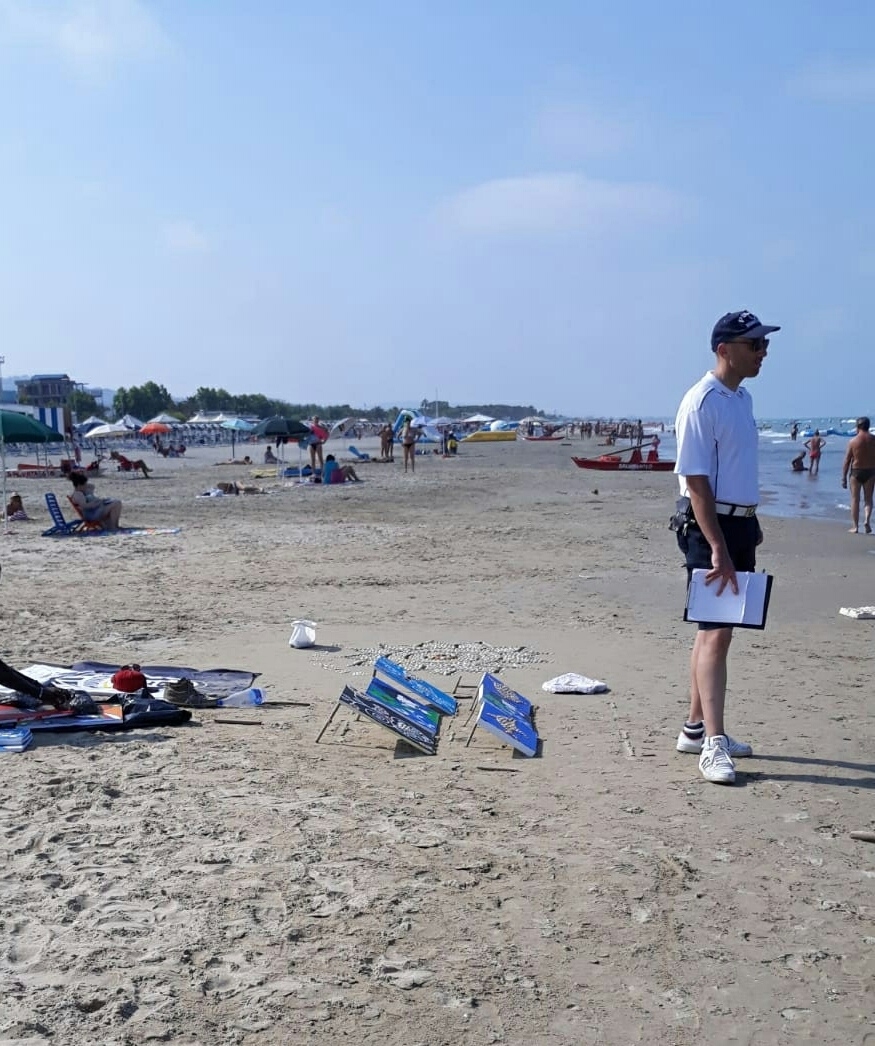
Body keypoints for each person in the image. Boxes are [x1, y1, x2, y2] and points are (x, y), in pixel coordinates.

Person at [673, 309, 780, 784]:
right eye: (754, 344)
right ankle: (713, 745)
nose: (762, 352)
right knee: (715, 632)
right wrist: (716, 544)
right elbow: (695, 481)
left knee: (719, 631)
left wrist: (748, 528)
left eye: (764, 344)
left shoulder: (743, 399)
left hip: (739, 526)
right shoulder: (702, 402)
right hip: (708, 526)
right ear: (724, 350)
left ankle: (696, 728)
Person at [841, 416, 875, 534]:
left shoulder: (853, 441)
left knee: (855, 499)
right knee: (868, 500)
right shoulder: (873, 439)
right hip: (870, 472)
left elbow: (847, 460)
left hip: (856, 472)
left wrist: (843, 478)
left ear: (858, 427)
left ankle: (855, 527)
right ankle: (866, 520)